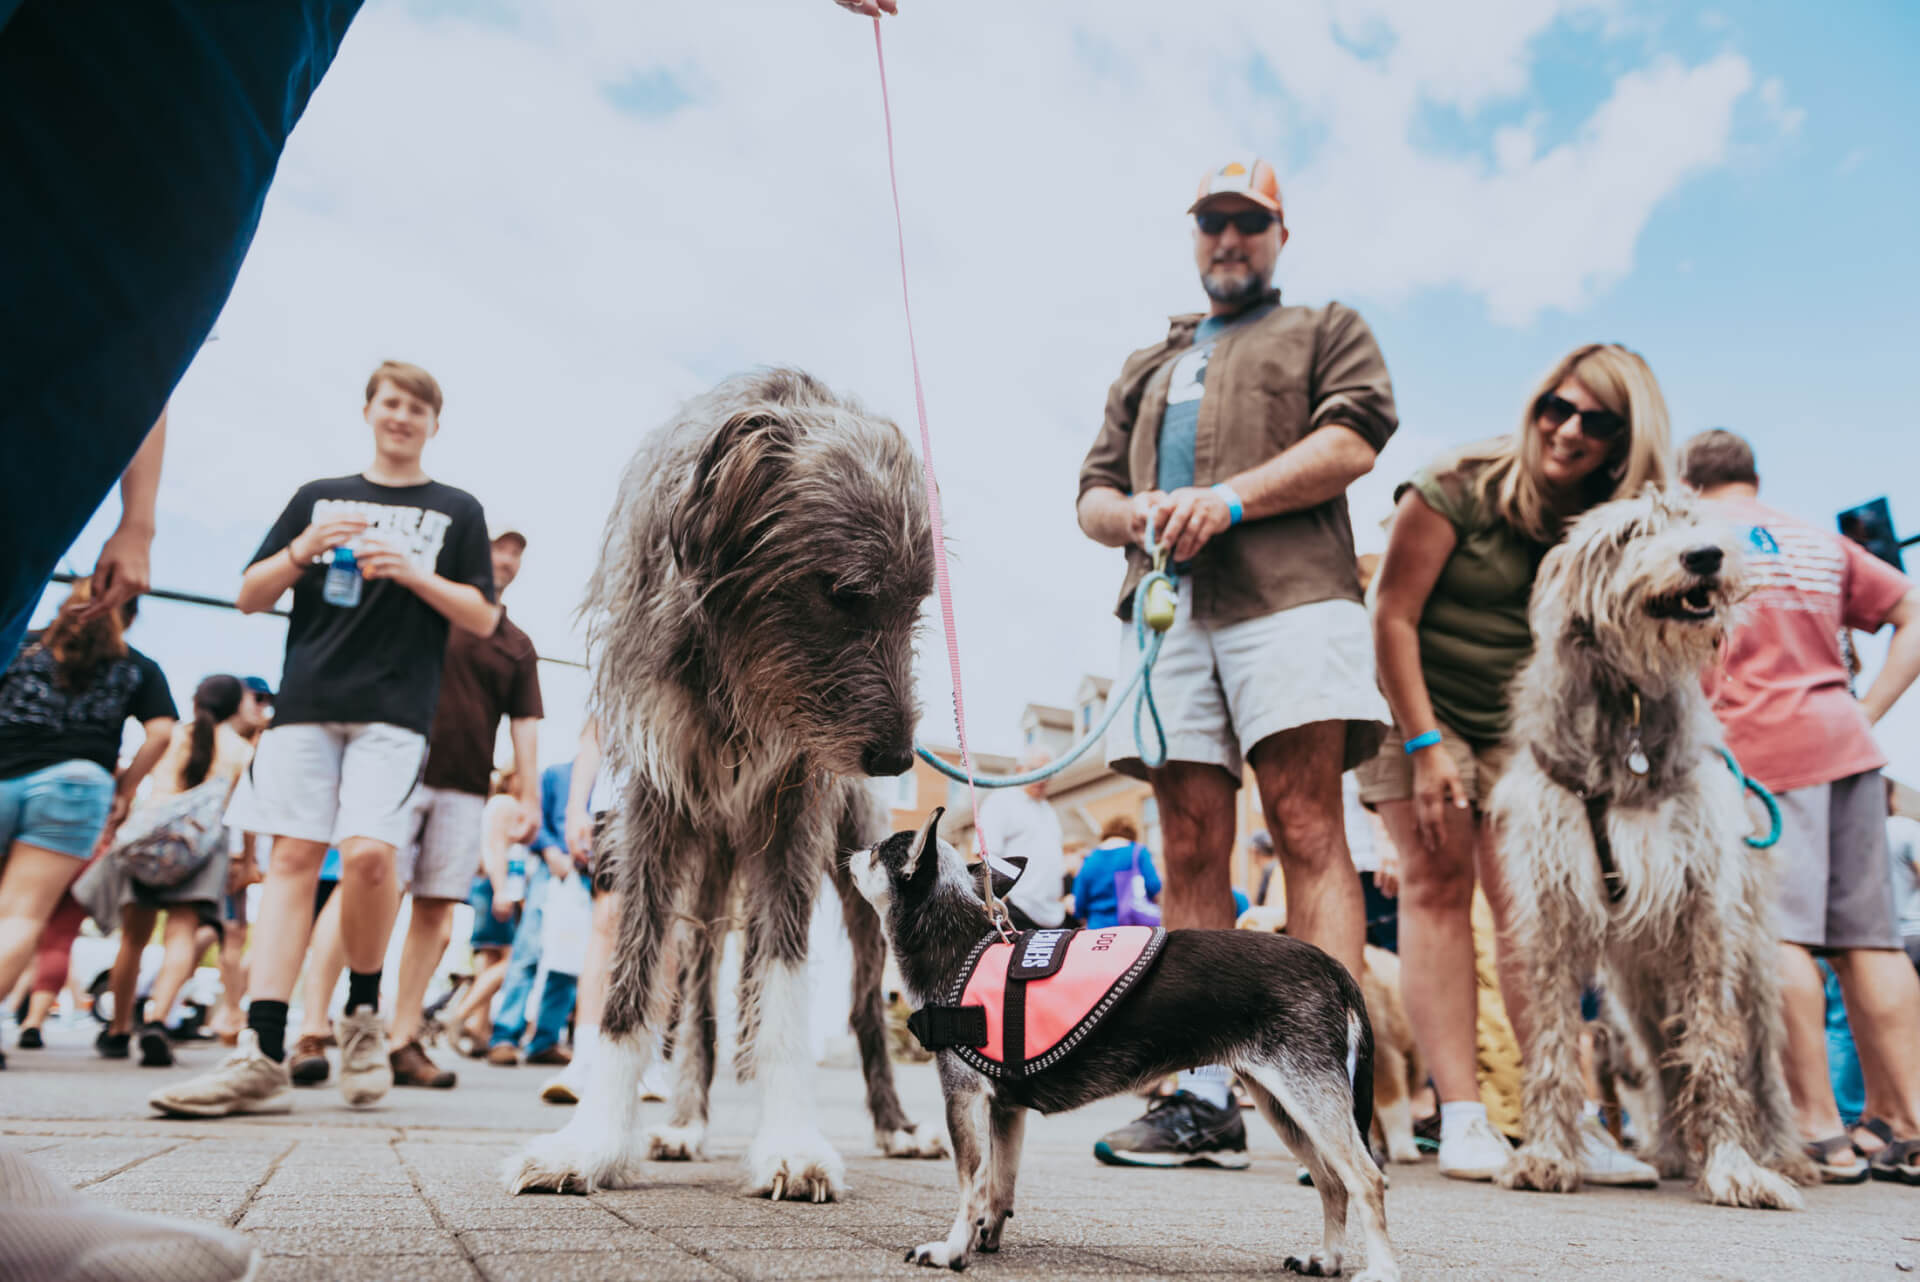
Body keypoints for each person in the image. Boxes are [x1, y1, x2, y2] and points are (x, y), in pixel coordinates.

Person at [1076, 157, 1396, 1169]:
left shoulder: (1323, 327)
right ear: (1195, 233)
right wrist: (1139, 514)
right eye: (1213, 221)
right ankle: (1204, 1095)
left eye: (1248, 222)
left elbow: (1356, 437)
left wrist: (1233, 499)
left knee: (1308, 826)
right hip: (1170, 615)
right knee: (1188, 847)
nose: (1229, 238)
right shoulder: (1145, 362)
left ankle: (1330, 1091)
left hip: (1292, 601)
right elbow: (1090, 495)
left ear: (1279, 235)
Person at [147, 360, 497, 1118]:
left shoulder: (455, 509)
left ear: (435, 423)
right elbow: (249, 594)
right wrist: (304, 549)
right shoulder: (319, 498)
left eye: (418, 408)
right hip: (307, 704)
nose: (403, 416)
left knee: (371, 856)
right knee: (293, 861)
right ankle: (263, 1049)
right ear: (370, 410)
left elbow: (481, 617)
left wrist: (410, 572)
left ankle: (363, 1017)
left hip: (397, 712)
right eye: (392, 402)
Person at [1363, 343, 1672, 1183]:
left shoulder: (1614, 524)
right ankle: (1462, 1118)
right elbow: (1390, 616)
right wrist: (1427, 750)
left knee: (1536, 913)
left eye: (1596, 421)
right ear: (1536, 404)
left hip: (1528, 725)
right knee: (1433, 886)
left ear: (1622, 439)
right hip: (1416, 699)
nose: (1568, 430)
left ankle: (1561, 1119)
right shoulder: (1455, 484)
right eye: (1556, 408)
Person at [1684, 428, 1920, 1186]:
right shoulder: (1821, 542)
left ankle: (1819, 1128)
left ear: (1690, 482)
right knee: (1872, 943)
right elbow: (1914, 609)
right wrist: (1868, 709)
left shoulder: (1698, 543)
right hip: (1850, 747)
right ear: (1753, 476)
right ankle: (1911, 1127)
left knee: (1779, 938)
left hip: (1760, 753)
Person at [294, 522, 543, 1088]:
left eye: (516, 553)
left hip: (464, 785)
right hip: (393, 772)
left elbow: (525, 722)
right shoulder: (420, 604)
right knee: (361, 886)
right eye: (497, 546)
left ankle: (404, 1039)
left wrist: (527, 793)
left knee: (436, 907)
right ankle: (313, 1026)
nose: (505, 558)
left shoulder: (515, 643)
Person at [0, 581, 177, 1072]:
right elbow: (161, 732)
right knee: (21, 915)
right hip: (77, 782)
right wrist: (125, 787)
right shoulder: (138, 665)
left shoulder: (21, 644)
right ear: (129, 616)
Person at [74, 675, 252, 1068]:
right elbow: (245, 815)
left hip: (149, 844)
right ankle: (157, 1019)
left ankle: (119, 1028)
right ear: (237, 706)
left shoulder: (170, 737)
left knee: (132, 942)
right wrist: (248, 861)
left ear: (195, 700)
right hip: (200, 851)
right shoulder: (241, 750)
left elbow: (136, 786)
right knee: (181, 936)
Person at [487, 760, 584, 1066]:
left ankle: (545, 1039)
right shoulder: (555, 774)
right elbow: (535, 820)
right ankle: (504, 1035)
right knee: (528, 951)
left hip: (590, 875)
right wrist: (551, 851)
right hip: (551, 869)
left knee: (569, 961)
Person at [451, 770, 532, 1054]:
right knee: (513, 959)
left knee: (490, 957)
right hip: (497, 885)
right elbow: (497, 849)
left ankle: (478, 1028)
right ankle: (461, 1014)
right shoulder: (506, 804)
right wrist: (502, 891)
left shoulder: (495, 804)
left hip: (489, 886)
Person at [973, 748, 1067, 931]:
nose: (1042, 778)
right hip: (1017, 909)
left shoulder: (1048, 811)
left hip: (1052, 914)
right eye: (1034, 770)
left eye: (1047, 772)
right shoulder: (1001, 802)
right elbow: (985, 855)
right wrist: (1003, 898)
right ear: (1019, 769)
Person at [1073, 815, 1160, 929]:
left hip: (1098, 931)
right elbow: (1154, 886)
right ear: (1132, 834)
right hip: (1134, 928)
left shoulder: (1090, 859)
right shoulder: (1138, 852)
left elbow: (1079, 905)